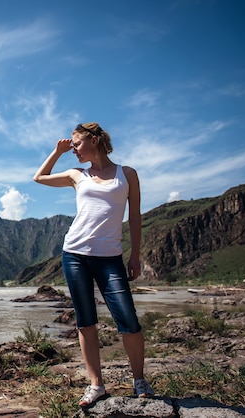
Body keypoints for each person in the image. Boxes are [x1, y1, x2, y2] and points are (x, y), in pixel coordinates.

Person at [33, 122, 154, 406]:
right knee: (86, 321)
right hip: (74, 254)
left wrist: (135, 255)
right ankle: (96, 384)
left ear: (95, 139)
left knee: (129, 320)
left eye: (76, 143)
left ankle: (139, 380)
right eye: (71, 145)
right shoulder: (77, 175)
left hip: (110, 258)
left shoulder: (127, 175)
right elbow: (39, 177)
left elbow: (134, 218)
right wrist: (57, 151)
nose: (73, 148)